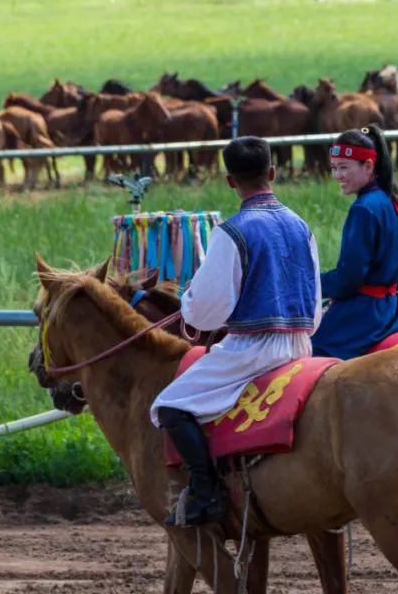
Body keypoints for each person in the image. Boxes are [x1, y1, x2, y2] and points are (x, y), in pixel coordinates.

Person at [150, 136, 322, 527]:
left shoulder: (232, 232)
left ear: (230, 181)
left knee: (168, 406)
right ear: (273, 173)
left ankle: (206, 493)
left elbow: (207, 313)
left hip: (252, 350)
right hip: (302, 345)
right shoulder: (301, 226)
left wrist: (189, 301)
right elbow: (314, 303)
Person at [312, 125, 398, 360]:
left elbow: (348, 279)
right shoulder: (396, 202)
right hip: (394, 311)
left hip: (361, 317)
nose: (337, 175)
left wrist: (308, 284)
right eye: (333, 168)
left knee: (304, 356)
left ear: (369, 166)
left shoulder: (363, 209)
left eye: (344, 167)